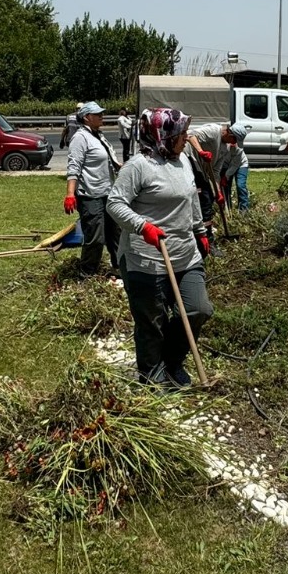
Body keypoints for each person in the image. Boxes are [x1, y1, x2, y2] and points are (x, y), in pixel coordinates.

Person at [107, 108, 213, 388]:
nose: (185, 138)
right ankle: (151, 374)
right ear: (162, 135)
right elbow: (114, 204)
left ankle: (172, 361)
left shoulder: (183, 161)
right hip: (146, 258)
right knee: (151, 323)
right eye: (180, 134)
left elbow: (191, 199)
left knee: (197, 309)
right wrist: (143, 227)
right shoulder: (138, 166)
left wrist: (200, 231)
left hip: (185, 254)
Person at [63, 100, 122, 275]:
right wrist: (70, 194)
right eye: (98, 114)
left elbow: (109, 160)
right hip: (91, 195)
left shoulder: (99, 135)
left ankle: (119, 269)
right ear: (87, 117)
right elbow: (74, 167)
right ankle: (87, 273)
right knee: (96, 238)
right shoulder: (80, 138)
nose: (102, 116)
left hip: (108, 193)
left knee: (115, 234)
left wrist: (121, 166)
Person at [185, 121, 248, 226]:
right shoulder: (214, 131)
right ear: (229, 133)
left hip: (202, 169)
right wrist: (201, 151)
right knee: (204, 197)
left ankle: (205, 230)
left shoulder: (224, 148)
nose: (234, 143)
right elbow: (191, 136)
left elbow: (215, 172)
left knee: (209, 197)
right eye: (234, 140)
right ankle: (202, 231)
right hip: (190, 160)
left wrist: (218, 192)